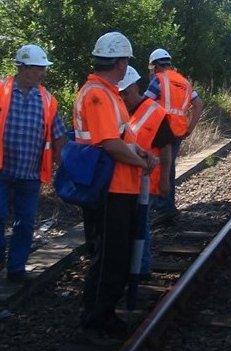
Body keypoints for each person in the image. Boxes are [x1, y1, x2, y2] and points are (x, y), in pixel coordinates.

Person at [73, 32, 156, 343]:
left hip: (118, 186)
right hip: (108, 188)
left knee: (115, 254)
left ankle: (104, 313)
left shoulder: (106, 93)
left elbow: (121, 140)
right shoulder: (98, 95)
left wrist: (140, 152)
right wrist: (141, 162)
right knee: (110, 256)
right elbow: (109, 144)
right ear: (120, 63)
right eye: (126, 62)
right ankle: (95, 318)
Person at [0, 44, 66, 281]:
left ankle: (16, 268)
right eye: (39, 69)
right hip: (1, 170)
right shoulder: (1, 90)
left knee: (25, 224)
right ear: (24, 68)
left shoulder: (48, 100)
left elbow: (59, 136)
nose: (43, 73)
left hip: (30, 174)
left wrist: (64, 167)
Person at [118, 65, 175, 278]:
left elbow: (166, 149)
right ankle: (131, 268)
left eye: (126, 92)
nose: (124, 97)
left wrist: (165, 180)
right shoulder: (118, 108)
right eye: (120, 93)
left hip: (145, 181)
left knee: (140, 224)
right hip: (123, 181)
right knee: (131, 225)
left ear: (135, 87)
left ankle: (141, 269)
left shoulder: (155, 112)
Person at [145, 48, 203, 219]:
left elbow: (145, 104)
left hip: (159, 132)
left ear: (155, 66)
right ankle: (168, 207)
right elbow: (198, 104)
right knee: (169, 167)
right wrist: (190, 127)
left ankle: (159, 207)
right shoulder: (184, 82)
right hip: (178, 131)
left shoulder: (158, 79)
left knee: (158, 167)